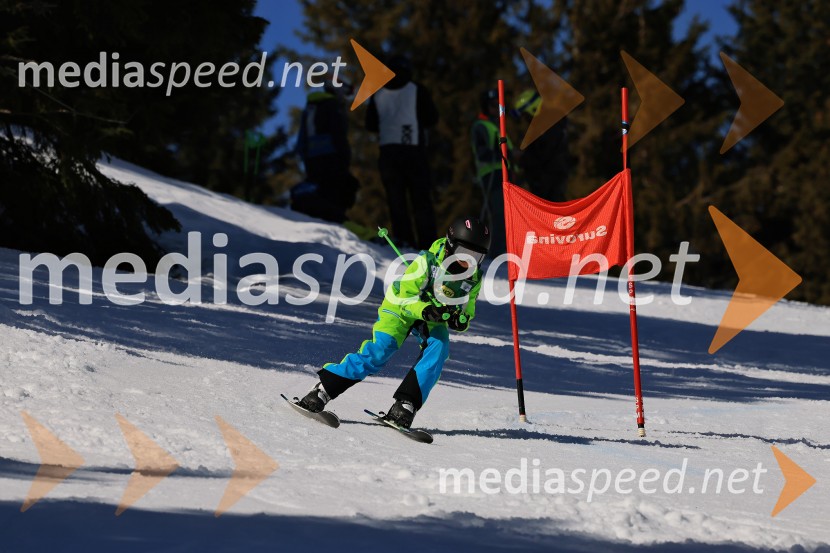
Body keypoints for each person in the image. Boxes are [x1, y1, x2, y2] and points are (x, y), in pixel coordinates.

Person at [298, 217, 491, 428]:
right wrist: (425, 309)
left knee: (439, 347)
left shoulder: (473, 277)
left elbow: (467, 308)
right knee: (380, 352)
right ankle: (323, 390)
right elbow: (403, 298)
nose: (469, 262)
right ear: (451, 245)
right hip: (401, 309)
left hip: (433, 315)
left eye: (477, 257)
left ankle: (406, 404)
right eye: (466, 253)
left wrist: (460, 320)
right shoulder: (426, 262)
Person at [366, 55, 438, 250]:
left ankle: (404, 241)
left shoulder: (378, 94)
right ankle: (428, 243)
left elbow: (370, 124)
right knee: (421, 200)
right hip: (413, 149)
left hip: (388, 151)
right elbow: (432, 118)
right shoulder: (416, 89)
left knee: (396, 200)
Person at [293, 82, 359, 223]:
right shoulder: (332, 106)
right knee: (337, 192)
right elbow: (338, 135)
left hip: (312, 160)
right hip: (332, 159)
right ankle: (336, 221)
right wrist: (344, 157)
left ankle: (321, 219)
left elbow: (301, 139)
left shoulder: (311, 107)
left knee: (320, 194)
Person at [471, 88, 512, 257]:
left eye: (499, 106)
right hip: (492, 175)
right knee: (498, 214)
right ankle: (497, 251)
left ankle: (505, 249)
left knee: (508, 215)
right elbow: (482, 153)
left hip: (506, 174)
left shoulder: (497, 126)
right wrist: (502, 153)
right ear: (485, 106)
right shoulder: (481, 126)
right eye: (493, 105)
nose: (497, 109)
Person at [514, 89, 569, 202]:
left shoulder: (547, 124)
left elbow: (543, 153)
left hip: (550, 182)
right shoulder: (544, 123)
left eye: (525, 115)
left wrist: (522, 158)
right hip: (548, 180)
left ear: (532, 109)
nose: (525, 119)